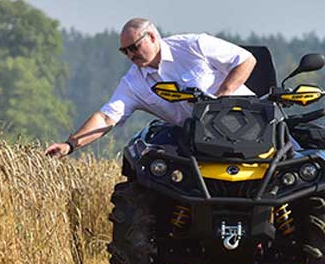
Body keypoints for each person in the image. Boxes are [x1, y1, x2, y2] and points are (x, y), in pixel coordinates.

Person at [44, 17, 256, 158]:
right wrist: (69, 145)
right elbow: (106, 117)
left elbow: (246, 60)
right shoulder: (133, 83)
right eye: (124, 51)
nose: (130, 55)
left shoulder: (194, 45)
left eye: (134, 47)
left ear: (153, 37)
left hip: (251, 128)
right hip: (199, 145)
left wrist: (220, 98)